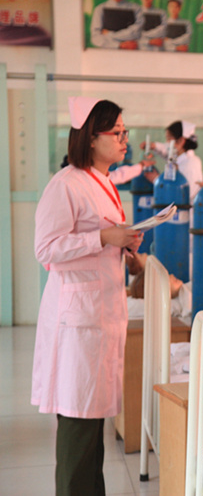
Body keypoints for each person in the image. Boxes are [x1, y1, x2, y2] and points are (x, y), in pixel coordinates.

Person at [32, 97, 143, 495]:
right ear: (91, 138)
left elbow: (101, 240)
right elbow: (46, 248)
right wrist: (103, 237)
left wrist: (124, 245)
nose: (125, 140)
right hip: (77, 323)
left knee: (93, 429)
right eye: (117, 133)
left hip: (100, 317)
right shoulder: (66, 184)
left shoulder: (104, 182)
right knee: (79, 426)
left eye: (125, 132)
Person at [145, 120, 203, 201]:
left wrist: (157, 180)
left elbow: (182, 192)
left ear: (181, 141)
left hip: (184, 207)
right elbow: (166, 152)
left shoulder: (190, 163)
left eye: (169, 138)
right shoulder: (179, 159)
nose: (166, 143)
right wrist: (154, 146)